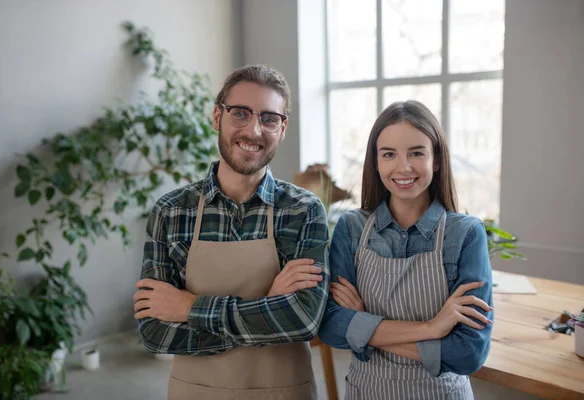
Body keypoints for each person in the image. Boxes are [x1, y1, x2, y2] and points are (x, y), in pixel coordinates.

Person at [132, 65, 330, 400]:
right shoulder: (170, 211)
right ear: (216, 117)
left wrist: (189, 308)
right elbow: (155, 333)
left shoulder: (303, 210)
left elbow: (303, 320)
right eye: (240, 113)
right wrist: (267, 305)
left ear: (282, 129)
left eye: (268, 118)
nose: (253, 130)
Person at [318, 100, 494, 399]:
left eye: (416, 153)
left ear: (436, 160)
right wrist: (432, 327)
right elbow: (331, 326)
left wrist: (363, 326)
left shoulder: (464, 234)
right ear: (375, 162)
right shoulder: (351, 228)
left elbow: (469, 353)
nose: (404, 167)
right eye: (389, 154)